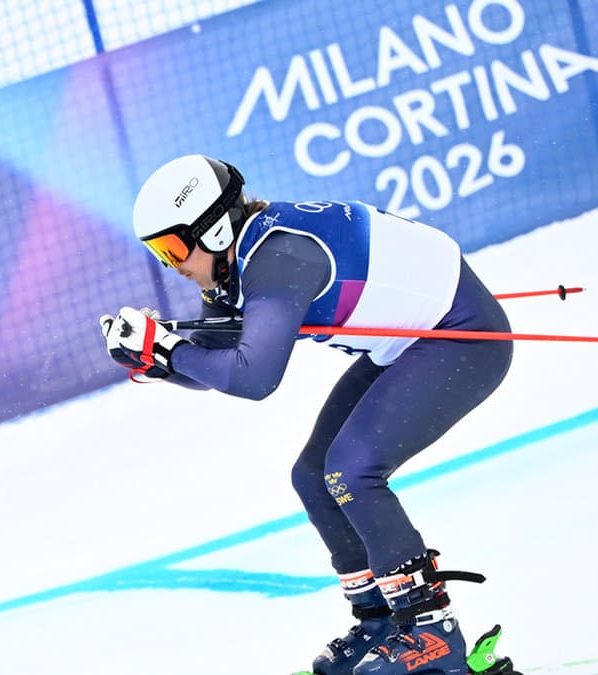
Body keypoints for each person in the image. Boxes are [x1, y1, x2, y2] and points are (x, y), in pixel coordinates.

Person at [100, 155, 516, 675]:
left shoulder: (279, 258)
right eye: (159, 253)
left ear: (214, 229)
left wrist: (170, 351)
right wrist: (155, 359)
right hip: (410, 343)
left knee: (351, 472)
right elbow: (212, 362)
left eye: (174, 248)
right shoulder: (234, 265)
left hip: (464, 338)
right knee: (314, 476)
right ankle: (381, 624)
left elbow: (253, 377)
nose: (172, 265)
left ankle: (433, 634)